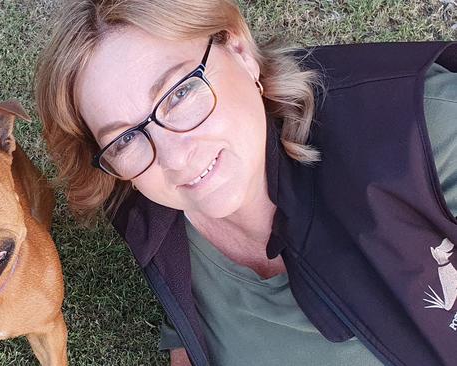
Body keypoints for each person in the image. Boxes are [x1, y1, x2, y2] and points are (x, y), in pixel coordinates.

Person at [35, 0, 457, 365]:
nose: (175, 157)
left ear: (239, 50)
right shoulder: (143, 207)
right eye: (125, 137)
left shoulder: (426, 129)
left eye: (180, 93)